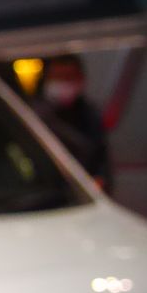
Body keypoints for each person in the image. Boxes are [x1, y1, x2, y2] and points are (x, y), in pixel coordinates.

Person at [33, 54, 112, 191]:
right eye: (58, 77)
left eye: (68, 77)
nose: (63, 83)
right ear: (46, 78)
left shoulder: (90, 114)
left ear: (80, 78)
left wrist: (100, 179)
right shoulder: (34, 116)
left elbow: (101, 157)